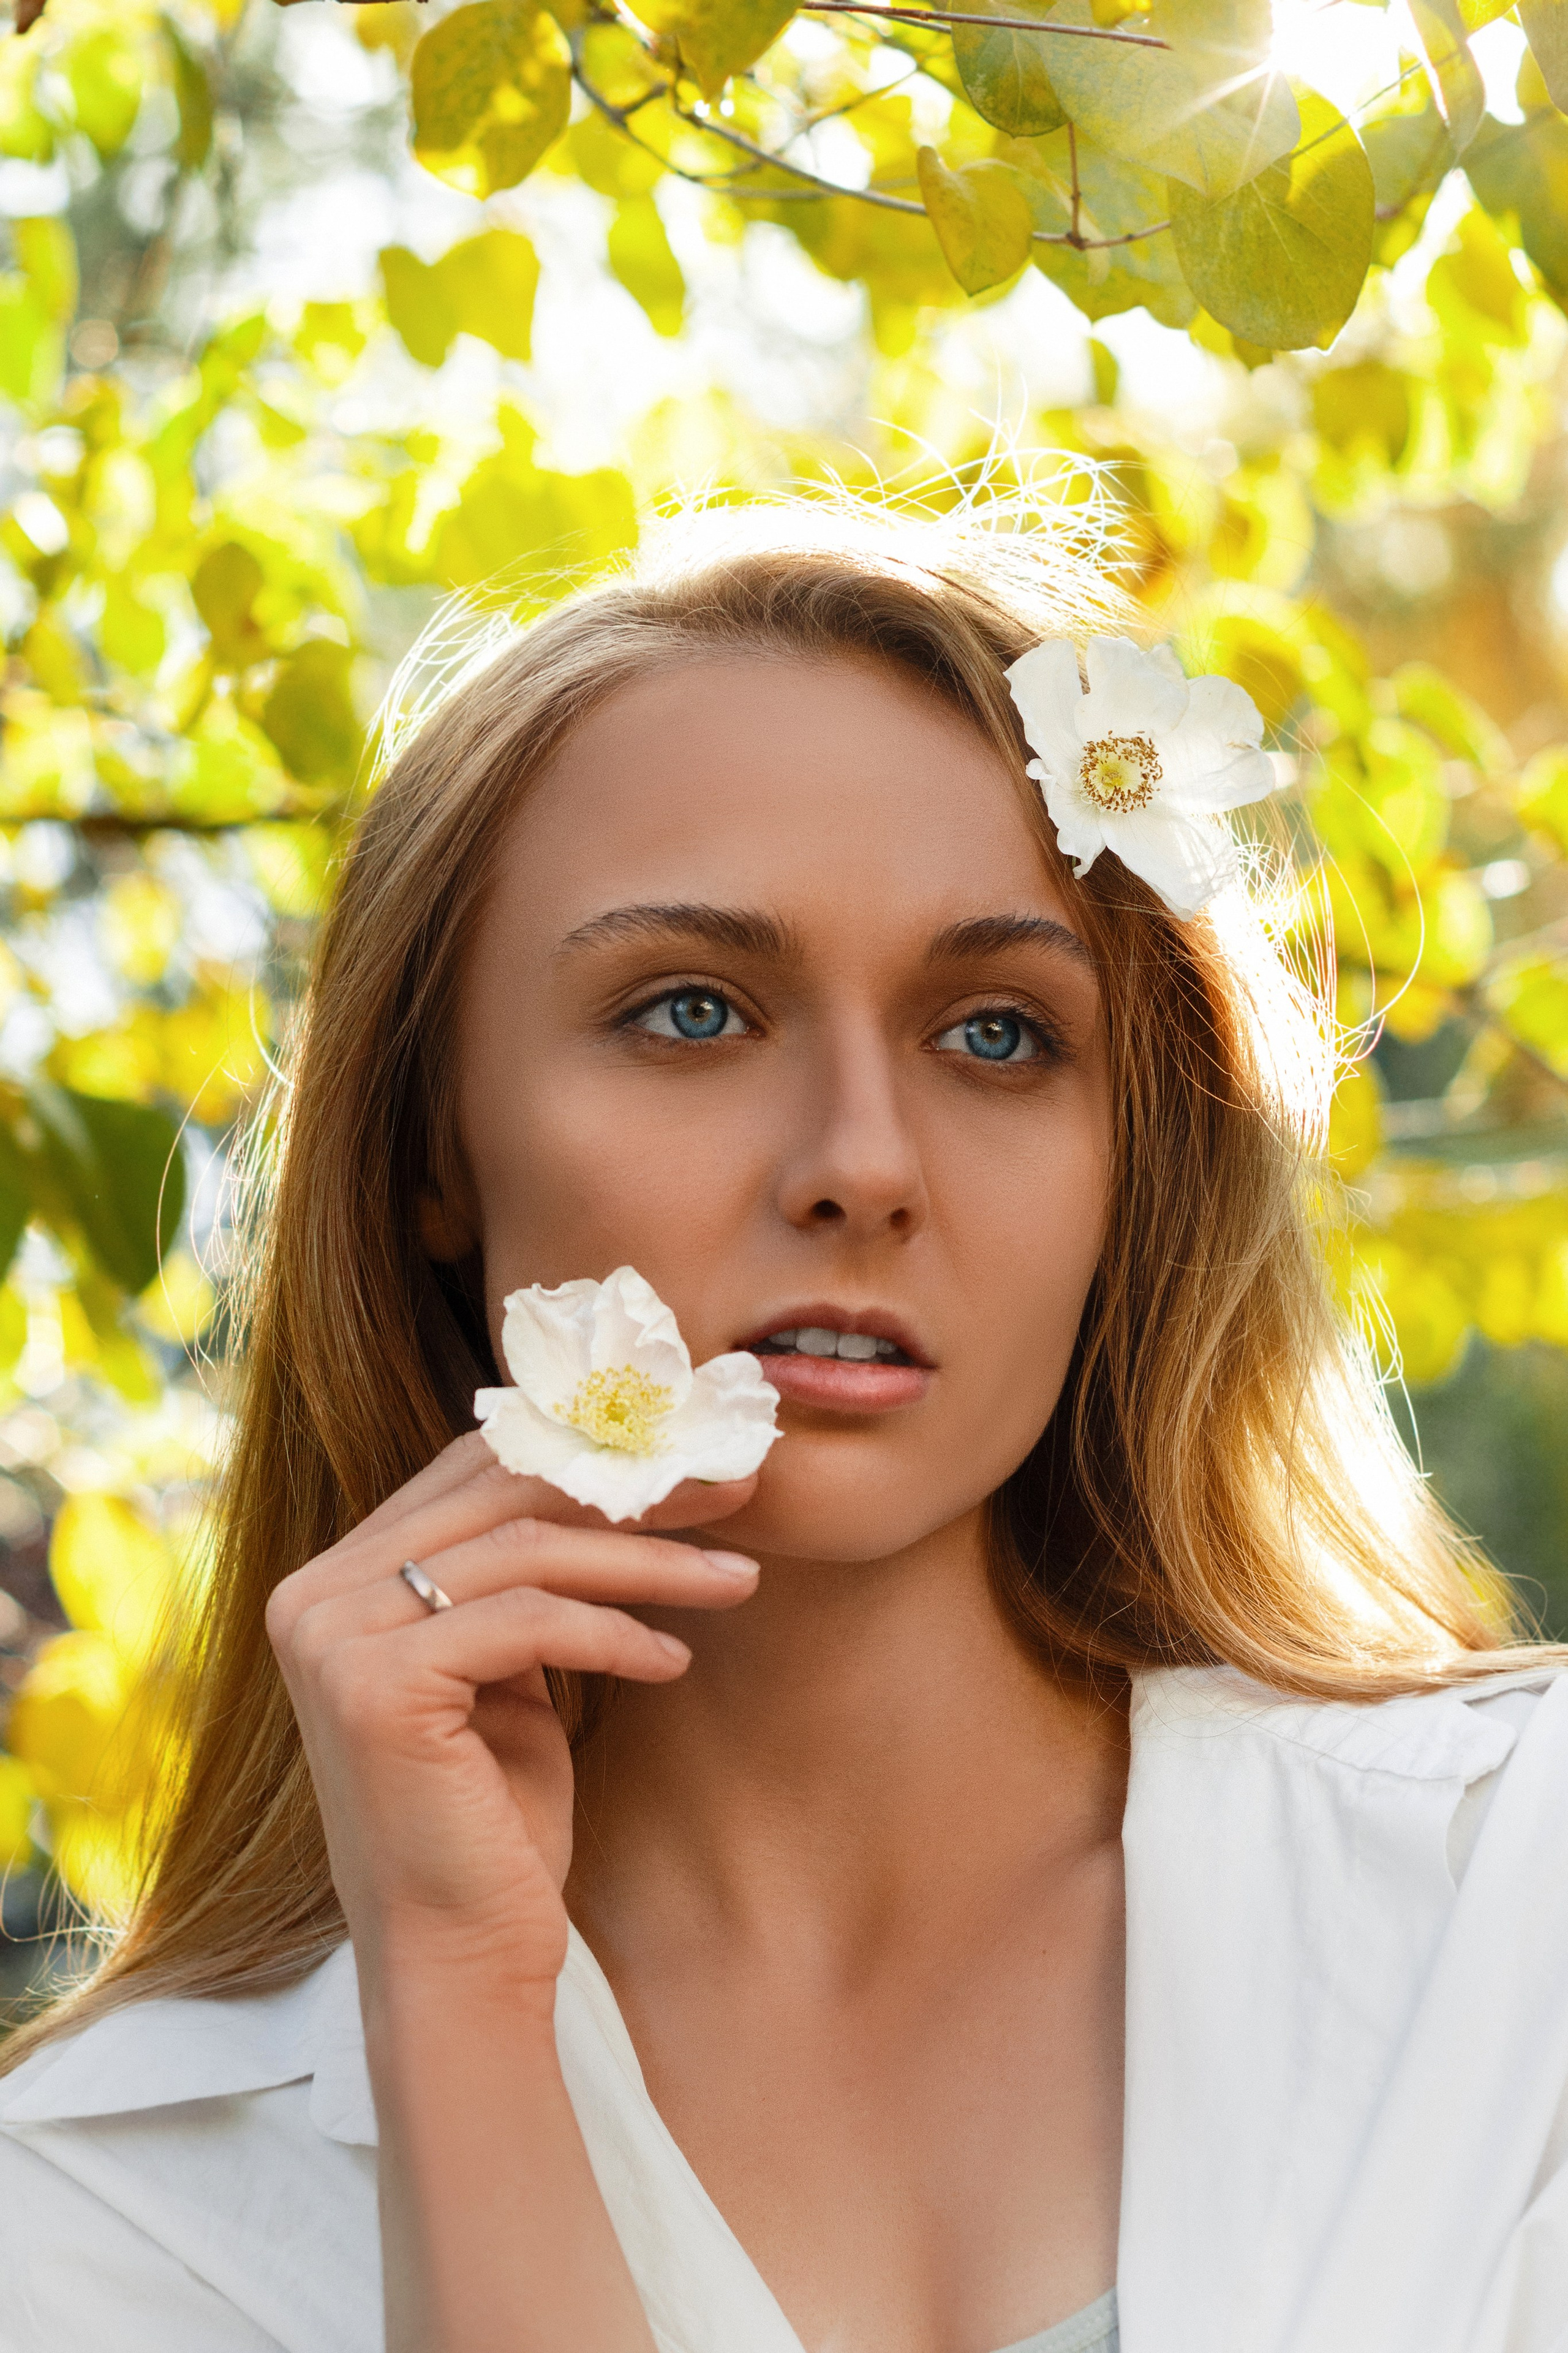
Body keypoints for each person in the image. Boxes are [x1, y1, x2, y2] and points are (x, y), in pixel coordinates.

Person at [1, 500, 1564, 2353]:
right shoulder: (106, 2223)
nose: (860, 1166)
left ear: (1128, 1157)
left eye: (996, 1034)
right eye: (691, 1009)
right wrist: (458, 2004)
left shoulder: (1515, 1901)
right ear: (436, 1146)